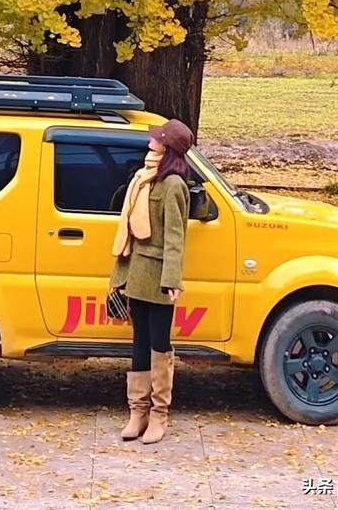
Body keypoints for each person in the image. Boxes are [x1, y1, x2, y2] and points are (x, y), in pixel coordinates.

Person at [109, 118, 194, 444]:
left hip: (159, 277)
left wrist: (172, 278)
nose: (151, 142)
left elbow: (176, 236)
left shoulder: (173, 184)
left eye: (157, 139)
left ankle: (159, 414)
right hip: (137, 273)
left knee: (160, 346)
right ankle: (137, 411)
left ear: (168, 147)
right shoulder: (143, 177)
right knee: (139, 343)